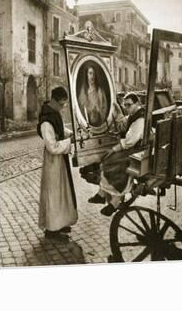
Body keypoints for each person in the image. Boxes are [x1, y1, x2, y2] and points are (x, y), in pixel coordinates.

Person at [88, 92, 145, 216]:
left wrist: (114, 149)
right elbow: (123, 124)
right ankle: (103, 194)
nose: (127, 108)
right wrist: (118, 112)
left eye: (129, 105)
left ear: (137, 103)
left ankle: (115, 200)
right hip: (135, 148)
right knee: (108, 159)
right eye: (125, 105)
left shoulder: (140, 119)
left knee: (111, 161)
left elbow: (130, 141)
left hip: (137, 151)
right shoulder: (134, 115)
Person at [37, 87, 78, 242]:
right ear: (54, 100)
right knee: (54, 194)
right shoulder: (46, 121)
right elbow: (52, 146)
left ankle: (60, 223)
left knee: (61, 193)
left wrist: (69, 134)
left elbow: (59, 129)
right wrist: (69, 141)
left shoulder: (53, 114)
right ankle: (51, 229)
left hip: (59, 162)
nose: (63, 107)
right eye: (61, 104)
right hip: (53, 162)